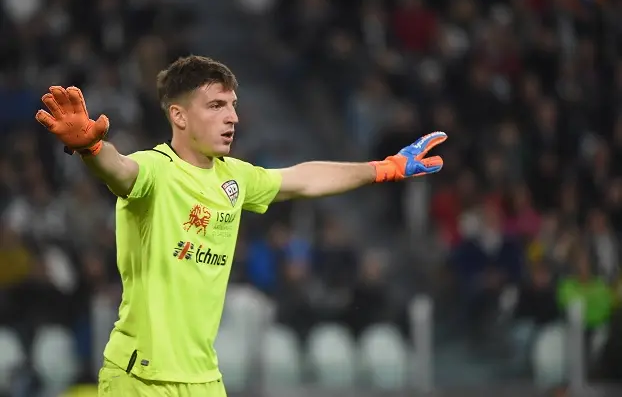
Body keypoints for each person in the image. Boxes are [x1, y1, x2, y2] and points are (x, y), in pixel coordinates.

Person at [34, 55, 447, 397]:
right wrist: (90, 147)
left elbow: (304, 177)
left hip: (205, 381)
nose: (232, 117)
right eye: (216, 106)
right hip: (140, 378)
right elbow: (120, 171)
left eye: (232, 105)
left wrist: (384, 168)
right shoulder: (156, 170)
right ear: (178, 115)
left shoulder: (235, 178)